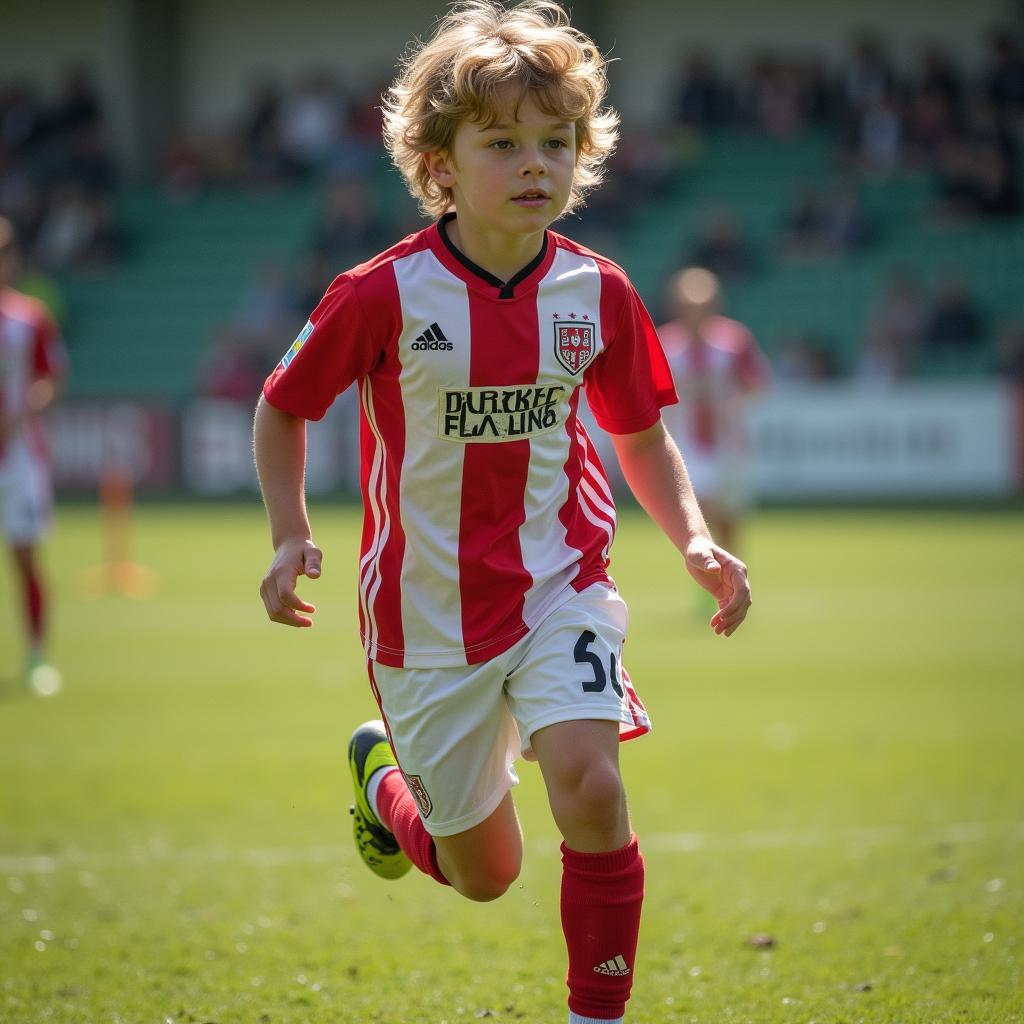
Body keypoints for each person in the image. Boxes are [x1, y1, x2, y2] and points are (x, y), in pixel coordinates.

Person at [253, 5, 752, 1024]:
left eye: (555, 143)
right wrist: (288, 531)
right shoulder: (380, 292)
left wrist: (693, 537)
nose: (536, 163)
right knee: (485, 872)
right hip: (424, 615)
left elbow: (640, 435)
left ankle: (593, 1015)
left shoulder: (596, 290)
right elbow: (283, 404)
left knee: (594, 788)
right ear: (438, 163)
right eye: (502, 144)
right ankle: (381, 773)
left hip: (561, 584)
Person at [657, 267, 770, 554]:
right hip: (685, 444)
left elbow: (757, 383)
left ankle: (728, 576)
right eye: (689, 306)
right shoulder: (665, 344)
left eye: (703, 306)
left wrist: (731, 404)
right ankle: (709, 578)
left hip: (728, 443)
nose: (696, 313)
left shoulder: (733, 340)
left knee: (729, 519)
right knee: (702, 506)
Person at [0, 217, 68, 695]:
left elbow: (51, 376)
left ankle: (37, 656)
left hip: (19, 457)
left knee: (25, 555)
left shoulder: (29, 317)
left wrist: (21, 413)